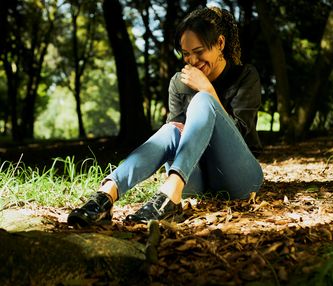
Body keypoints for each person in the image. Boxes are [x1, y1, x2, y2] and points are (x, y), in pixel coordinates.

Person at [67, 6, 264, 227]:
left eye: (199, 51)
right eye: (186, 53)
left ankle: (170, 193)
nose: (192, 60)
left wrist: (207, 90)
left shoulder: (246, 75)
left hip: (240, 179)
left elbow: (240, 133)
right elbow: (172, 136)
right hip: (196, 180)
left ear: (220, 43)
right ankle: (106, 194)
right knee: (171, 128)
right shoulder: (179, 83)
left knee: (203, 101)